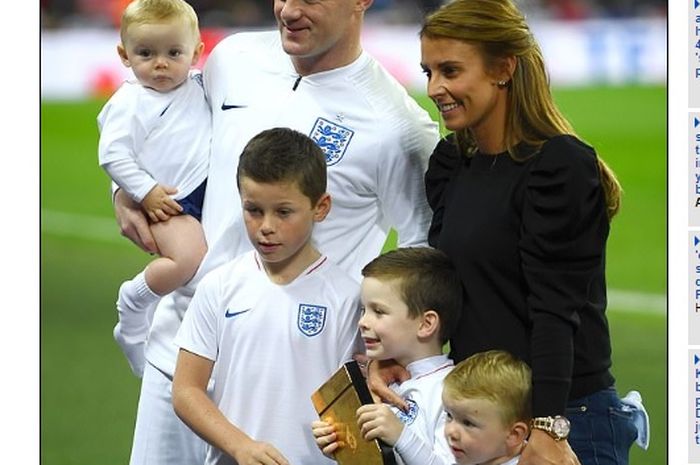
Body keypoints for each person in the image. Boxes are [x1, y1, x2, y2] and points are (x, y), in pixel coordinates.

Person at [113, 1, 439, 464]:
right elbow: (162, 124)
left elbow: (424, 251)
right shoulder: (233, 59)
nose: (289, 9)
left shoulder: (398, 129)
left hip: (293, 391)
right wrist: (123, 191)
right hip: (180, 357)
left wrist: (394, 350)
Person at [414, 1, 648, 464]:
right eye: (428, 72)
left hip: (563, 420)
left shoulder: (559, 166)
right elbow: (456, 294)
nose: (435, 88)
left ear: (503, 68)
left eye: (450, 71)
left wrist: (546, 426)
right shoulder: (451, 164)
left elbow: (554, 309)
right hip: (479, 420)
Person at [172, 127, 364, 465]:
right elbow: (186, 390)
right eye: (254, 210)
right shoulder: (219, 286)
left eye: (283, 212)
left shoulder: (348, 299)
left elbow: (357, 404)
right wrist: (240, 446)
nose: (266, 226)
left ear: (320, 207)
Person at [97, 0, 209, 377]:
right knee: (187, 260)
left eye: (173, 53)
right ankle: (134, 302)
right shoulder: (129, 102)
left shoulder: (201, 86)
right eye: (146, 53)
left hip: (205, 192)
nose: (160, 63)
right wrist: (144, 192)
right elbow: (112, 154)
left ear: (196, 52)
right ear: (124, 55)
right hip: (167, 201)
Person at [312, 247, 461, 465]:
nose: (363, 321)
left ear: (426, 324)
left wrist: (402, 436)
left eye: (378, 311)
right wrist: (344, 445)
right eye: (364, 310)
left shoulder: (453, 390)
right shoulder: (376, 383)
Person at [441, 350, 532, 465]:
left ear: (514, 434)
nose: (450, 431)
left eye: (468, 423)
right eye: (449, 416)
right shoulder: (479, 458)